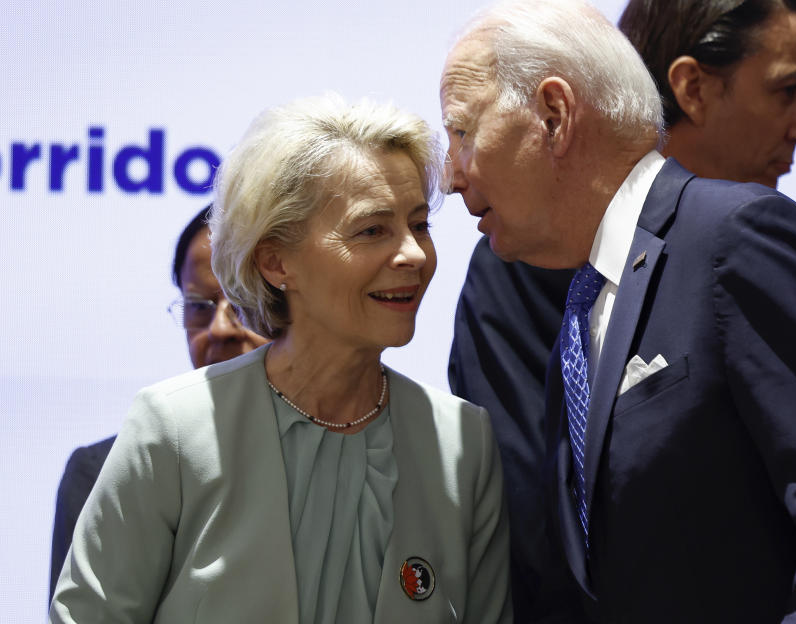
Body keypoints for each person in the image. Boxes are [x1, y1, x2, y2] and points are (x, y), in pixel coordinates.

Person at [441, 0, 796, 622]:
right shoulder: (578, 302)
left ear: (555, 115)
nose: (452, 174)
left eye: (462, 131)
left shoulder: (740, 238)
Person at [50, 94, 512, 624]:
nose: (412, 254)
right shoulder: (174, 428)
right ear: (275, 261)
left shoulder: (464, 443)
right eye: (372, 229)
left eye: (420, 225)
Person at [48, 204, 269, 600]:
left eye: (241, 302)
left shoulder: (349, 453)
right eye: (199, 307)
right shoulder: (104, 472)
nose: (219, 328)